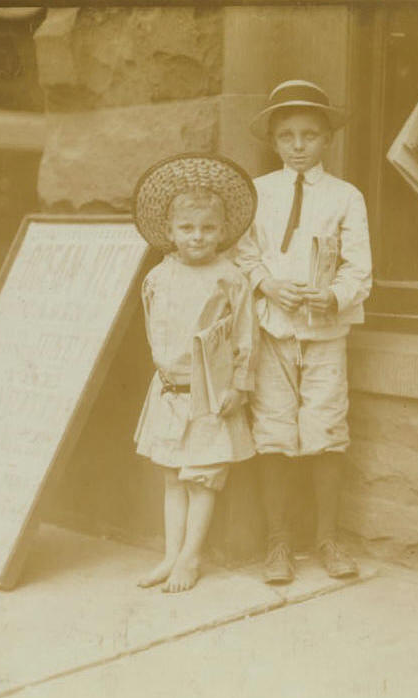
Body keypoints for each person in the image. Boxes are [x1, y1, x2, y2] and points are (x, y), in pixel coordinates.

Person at [235, 79, 372, 583]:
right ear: (273, 141)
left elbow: (360, 267)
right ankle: (278, 545)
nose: (298, 146)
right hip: (272, 331)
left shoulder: (345, 197)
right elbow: (243, 252)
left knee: (326, 430)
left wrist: (332, 295)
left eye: (309, 135)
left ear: (327, 139)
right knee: (273, 431)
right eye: (288, 136)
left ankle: (329, 540)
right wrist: (267, 284)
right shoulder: (256, 193)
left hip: (325, 333)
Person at [131, 153, 259, 593]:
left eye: (207, 228)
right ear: (170, 232)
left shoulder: (230, 278)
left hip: (210, 393)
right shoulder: (158, 278)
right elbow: (156, 334)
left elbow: (245, 336)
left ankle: (192, 556)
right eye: (187, 228)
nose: (197, 237)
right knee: (172, 475)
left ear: (222, 232)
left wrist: (240, 385)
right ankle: (170, 554)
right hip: (169, 392)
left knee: (202, 478)